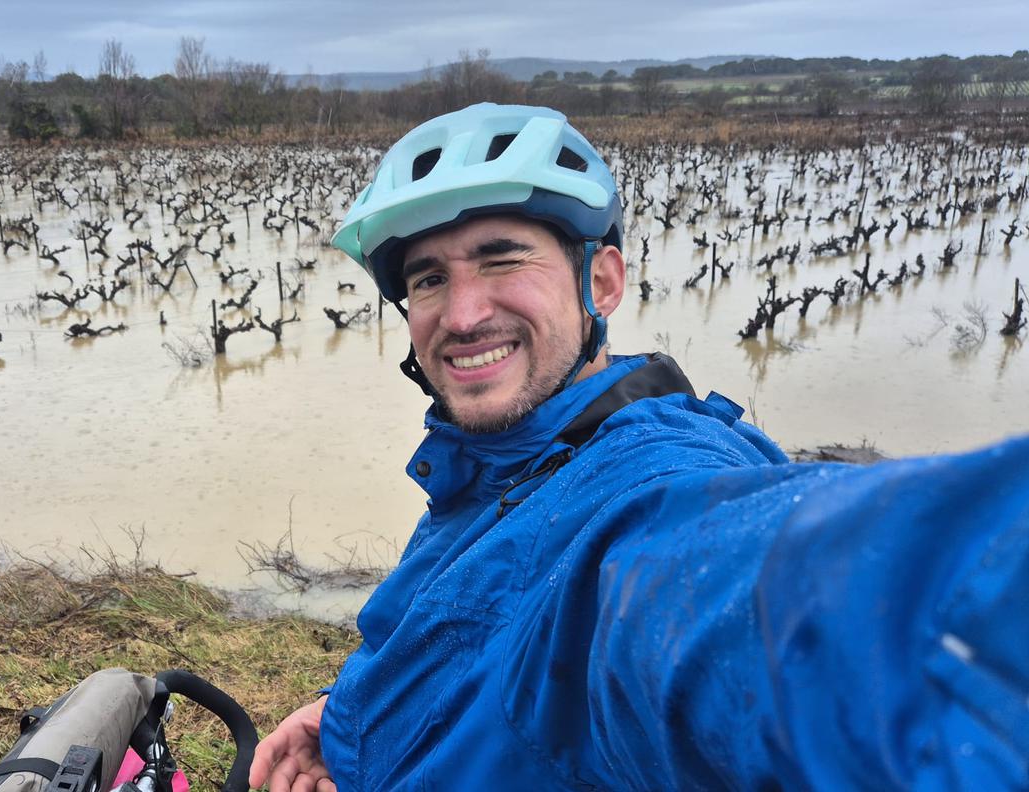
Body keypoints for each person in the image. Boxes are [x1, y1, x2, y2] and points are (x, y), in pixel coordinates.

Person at [247, 103, 1029, 791]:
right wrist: (349, 716)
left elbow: (749, 607)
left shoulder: (645, 493)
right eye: (428, 279)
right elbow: (479, 649)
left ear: (603, 282)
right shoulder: (489, 465)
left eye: (502, 259)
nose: (461, 315)